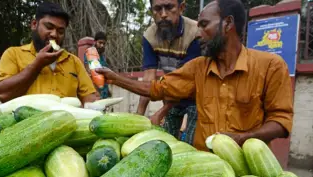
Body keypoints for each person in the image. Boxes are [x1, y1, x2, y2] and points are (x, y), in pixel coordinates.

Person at [97, 0, 293, 151]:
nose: (198, 33)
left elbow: (281, 122)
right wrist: (115, 78)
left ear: (228, 23)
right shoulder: (198, 67)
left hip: (246, 171)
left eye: (204, 25)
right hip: (204, 166)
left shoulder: (271, 66)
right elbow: (157, 88)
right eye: (198, 26)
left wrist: (242, 138)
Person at [0, 2, 97, 104]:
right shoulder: (13, 54)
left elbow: (89, 97)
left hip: (64, 119)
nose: (54, 34)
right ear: (34, 24)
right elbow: (3, 95)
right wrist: (37, 65)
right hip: (27, 120)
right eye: (49, 27)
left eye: (60, 31)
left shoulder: (74, 61)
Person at [137, 0, 201, 145]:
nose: (163, 14)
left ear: (181, 7)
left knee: (190, 145)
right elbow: (149, 79)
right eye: (158, 9)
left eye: (169, 7)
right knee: (166, 142)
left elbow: (185, 83)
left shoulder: (195, 34)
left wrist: (161, 111)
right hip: (172, 95)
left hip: (196, 96)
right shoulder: (149, 36)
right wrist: (139, 116)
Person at [84, 31, 112, 99]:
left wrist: (107, 90)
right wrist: (96, 91)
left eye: (104, 43)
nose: (102, 45)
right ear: (95, 42)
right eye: (100, 43)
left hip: (104, 91)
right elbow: (89, 74)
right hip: (95, 92)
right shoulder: (90, 53)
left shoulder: (103, 57)